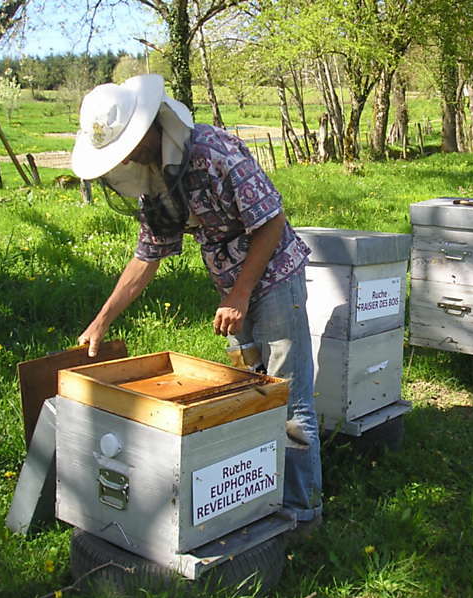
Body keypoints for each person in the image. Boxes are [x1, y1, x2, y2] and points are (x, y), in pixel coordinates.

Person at [70, 74, 322, 531]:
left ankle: (303, 515)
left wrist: (240, 294)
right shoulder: (156, 180)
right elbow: (146, 257)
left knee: (287, 396)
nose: (124, 159)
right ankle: (261, 497)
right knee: (250, 392)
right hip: (232, 288)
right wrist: (102, 320)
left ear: (148, 128)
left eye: (126, 146)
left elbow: (270, 221)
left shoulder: (215, 151)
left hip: (275, 275)